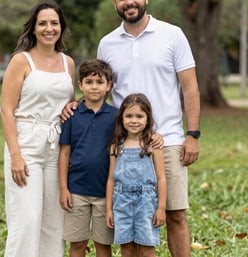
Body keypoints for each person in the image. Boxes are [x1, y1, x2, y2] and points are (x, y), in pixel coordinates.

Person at [63, 1, 201, 256]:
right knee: (129, 217)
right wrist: (76, 105)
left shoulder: (172, 35)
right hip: (123, 144)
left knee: (175, 215)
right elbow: (100, 85)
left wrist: (192, 135)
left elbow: (190, 87)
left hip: (167, 141)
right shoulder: (107, 43)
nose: (129, 2)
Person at [0, 1, 75, 256]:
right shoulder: (21, 61)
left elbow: (68, 102)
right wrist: (16, 155)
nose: (48, 28)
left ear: (61, 27)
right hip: (27, 143)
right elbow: (7, 110)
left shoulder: (68, 64)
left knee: (54, 222)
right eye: (42, 23)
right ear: (33, 28)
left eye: (54, 23)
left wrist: (70, 108)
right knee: (27, 219)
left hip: (56, 147)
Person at [58, 59, 116, 257]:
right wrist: (64, 188)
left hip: (105, 192)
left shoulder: (116, 116)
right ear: (80, 85)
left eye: (100, 82)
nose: (94, 87)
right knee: (77, 244)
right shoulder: (72, 116)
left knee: (103, 245)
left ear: (109, 85)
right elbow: (64, 153)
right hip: (77, 190)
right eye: (89, 82)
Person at [106, 93, 167, 257]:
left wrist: (161, 208)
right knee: (127, 249)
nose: (134, 121)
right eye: (129, 116)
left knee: (147, 248)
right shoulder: (116, 147)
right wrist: (109, 210)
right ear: (122, 118)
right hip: (121, 203)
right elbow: (111, 179)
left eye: (139, 116)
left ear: (148, 118)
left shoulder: (153, 145)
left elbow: (161, 178)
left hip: (146, 203)